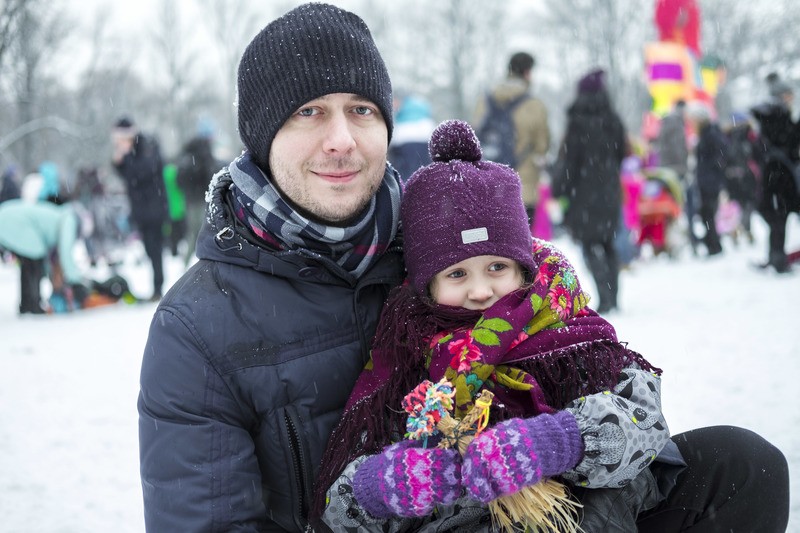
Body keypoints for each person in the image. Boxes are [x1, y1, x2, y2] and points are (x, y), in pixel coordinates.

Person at [313, 120, 789, 532]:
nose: (481, 291)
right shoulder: (408, 350)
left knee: (745, 464)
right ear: (426, 285)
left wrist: (564, 440)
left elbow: (644, 420)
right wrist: (385, 487)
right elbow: (338, 508)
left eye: (496, 268)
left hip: (604, 509)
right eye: (457, 274)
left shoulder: (562, 326)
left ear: (524, 268)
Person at [137, 4, 404, 531]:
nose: (342, 140)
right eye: (309, 111)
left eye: (361, 110)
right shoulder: (195, 331)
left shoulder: (451, 263)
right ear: (263, 138)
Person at [552, 68, 627, 314]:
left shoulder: (577, 123)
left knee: (590, 245)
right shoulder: (613, 120)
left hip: (583, 194)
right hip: (609, 192)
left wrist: (559, 188)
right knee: (607, 244)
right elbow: (621, 155)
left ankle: (605, 298)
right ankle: (612, 297)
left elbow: (569, 162)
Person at [473, 51, 550, 222]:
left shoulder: (485, 100)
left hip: (489, 185)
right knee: (523, 243)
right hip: (523, 186)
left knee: (491, 243)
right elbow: (542, 146)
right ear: (527, 72)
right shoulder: (534, 105)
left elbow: (476, 134)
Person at [111, 116, 168, 300]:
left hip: (155, 208)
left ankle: (158, 288)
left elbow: (144, 171)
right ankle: (156, 287)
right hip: (141, 210)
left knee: (155, 249)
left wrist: (126, 157)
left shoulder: (146, 145)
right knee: (149, 250)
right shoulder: (131, 152)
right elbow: (127, 176)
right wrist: (118, 162)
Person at [0, 197, 89, 314]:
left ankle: (27, 304)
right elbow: (65, 252)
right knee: (34, 263)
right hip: (12, 222)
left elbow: (51, 259)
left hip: (6, 218)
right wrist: (75, 282)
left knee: (29, 266)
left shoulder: (58, 215)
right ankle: (33, 305)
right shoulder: (70, 220)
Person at [750, 72, 800, 273]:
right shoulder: (778, 115)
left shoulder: (769, 115)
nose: (792, 98)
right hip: (782, 175)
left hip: (774, 175)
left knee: (777, 217)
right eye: (789, 94)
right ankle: (778, 258)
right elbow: (791, 143)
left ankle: (775, 256)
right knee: (780, 217)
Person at [686, 102, 729, 257]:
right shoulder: (706, 133)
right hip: (706, 179)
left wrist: (712, 170)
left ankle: (713, 245)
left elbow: (720, 155)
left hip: (710, 180)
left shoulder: (710, 133)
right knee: (706, 213)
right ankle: (712, 243)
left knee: (708, 212)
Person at [656, 99, 699, 252]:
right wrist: (686, 165)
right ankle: (684, 241)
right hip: (677, 172)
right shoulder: (676, 124)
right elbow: (678, 150)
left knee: (671, 210)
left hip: (667, 171)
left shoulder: (668, 123)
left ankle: (669, 243)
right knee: (682, 208)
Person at [176, 124, 219, 265]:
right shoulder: (203, 152)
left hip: (190, 200)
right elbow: (210, 173)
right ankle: (203, 263)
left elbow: (179, 181)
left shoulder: (187, 153)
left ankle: (188, 262)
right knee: (203, 232)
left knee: (194, 233)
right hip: (202, 198)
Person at [388, 93, 436, 182]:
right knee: (425, 168)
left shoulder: (402, 108)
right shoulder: (422, 104)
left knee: (405, 170)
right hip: (425, 136)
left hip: (404, 137)